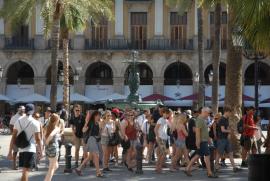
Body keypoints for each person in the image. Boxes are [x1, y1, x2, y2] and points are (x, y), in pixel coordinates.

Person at [7, 104, 42, 181]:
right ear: (32, 111)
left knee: (24, 171)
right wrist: (41, 151)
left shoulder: (18, 121)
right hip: (30, 149)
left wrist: (10, 151)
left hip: (21, 149)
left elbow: (13, 137)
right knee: (26, 171)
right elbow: (38, 139)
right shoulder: (35, 122)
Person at [184, 107, 217, 178]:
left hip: (203, 141)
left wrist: (208, 140)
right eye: (208, 113)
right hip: (202, 141)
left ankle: (187, 169)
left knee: (198, 155)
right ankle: (209, 172)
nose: (209, 115)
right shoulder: (200, 120)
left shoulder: (202, 119)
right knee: (207, 156)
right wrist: (198, 141)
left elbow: (203, 132)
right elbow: (197, 131)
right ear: (204, 112)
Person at [75, 111, 104, 177]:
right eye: (98, 115)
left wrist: (101, 127)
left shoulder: (98, 123)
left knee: (90, 157)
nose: (99, 117)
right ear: (95, 116)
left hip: (96, 140)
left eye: (100, 115)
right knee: (96, 155)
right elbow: (83, 130)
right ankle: (98, 172)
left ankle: (79, 168)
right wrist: (85, 126)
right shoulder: (90, 122)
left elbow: (99, 134)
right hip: (91, 139)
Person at [215, 107, 241, 173]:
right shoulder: (222, 119)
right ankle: (216, 168)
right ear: (226, 111)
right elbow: (222, 130)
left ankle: (234, 167)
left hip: (226, 139)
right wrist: (230, 131)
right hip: (221, 139)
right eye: (230, 112)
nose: (230, 114)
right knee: (219, 153)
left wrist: (230, 130)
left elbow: (227, 127)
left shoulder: (226, 119)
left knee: (230, 153)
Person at [44, 113, 61, 181]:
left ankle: (47, 179)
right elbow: (51, 136)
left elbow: (44, 136)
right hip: (54, 149)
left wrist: (46, 144)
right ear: (56, 120)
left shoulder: (47, 127)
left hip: (48, 149)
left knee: (56, 166)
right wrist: (47, 142)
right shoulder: (56, 128)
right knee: (51, 168)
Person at [9, 105, 25, 170]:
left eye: (23, 109)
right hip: (16, 136)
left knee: (22, 151)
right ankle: (14, 165)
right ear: (18, 110)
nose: (22, 111)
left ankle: (21, 164)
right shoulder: (14, 117)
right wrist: (13, 133)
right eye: (21, 109)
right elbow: (10, 126)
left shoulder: (25, 116)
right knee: (15, 151)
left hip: (24, 136)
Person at [154, 108, 170, 173]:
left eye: (168, 114)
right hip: (161, 138)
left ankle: (157, 168)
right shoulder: (160, 119)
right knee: (163, 153)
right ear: (163, 113)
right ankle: (159, 168)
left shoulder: (166, 120)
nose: (167, 115)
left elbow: (170, 127)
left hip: (164, 138)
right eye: (166, 114)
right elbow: (155, 129)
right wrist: (158, 137)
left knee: (161, 154)